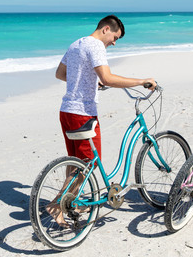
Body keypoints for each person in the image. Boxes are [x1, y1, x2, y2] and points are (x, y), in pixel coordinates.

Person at [47, 15, 156, 227]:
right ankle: (56, 204)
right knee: (88, 165)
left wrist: (87, 81)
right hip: (83, 113)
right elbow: (108, 78)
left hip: (67, 110)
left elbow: (61, 74)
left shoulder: (76, 43)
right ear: (106, 29)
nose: (114, 42)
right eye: (115, 37)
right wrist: (142, 81)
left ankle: (71, 202)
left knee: (76, 162)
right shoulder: (96, 45)